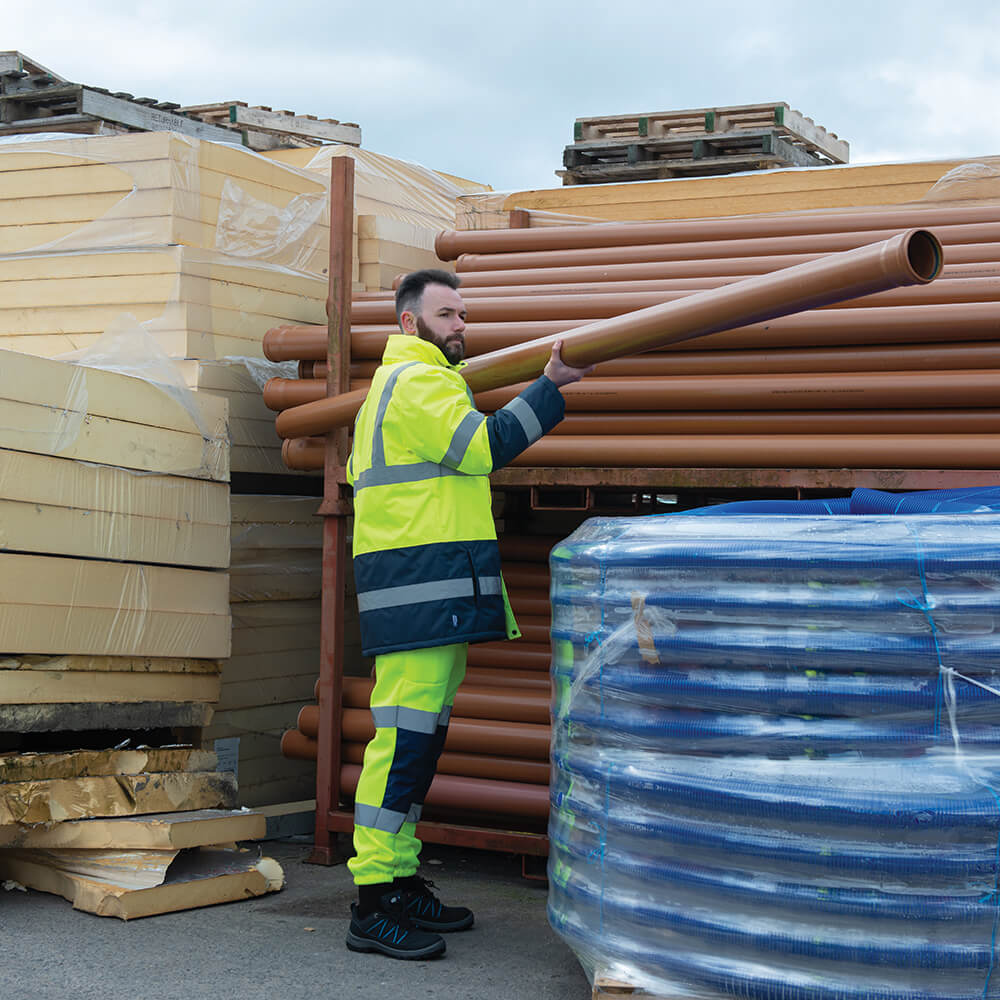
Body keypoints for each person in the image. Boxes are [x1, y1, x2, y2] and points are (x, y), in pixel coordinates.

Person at [344, 268, 591, 960]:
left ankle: (396, 878)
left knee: (416, 744)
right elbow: (482, 448)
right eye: (447, 314)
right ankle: (372, 900)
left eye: (462, 315)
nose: (460, 326)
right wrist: (552, 387)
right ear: (408, 323)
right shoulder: (415, 383)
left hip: (430, 592)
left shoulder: (422, 384)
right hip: (419, 592)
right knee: (401, 745)